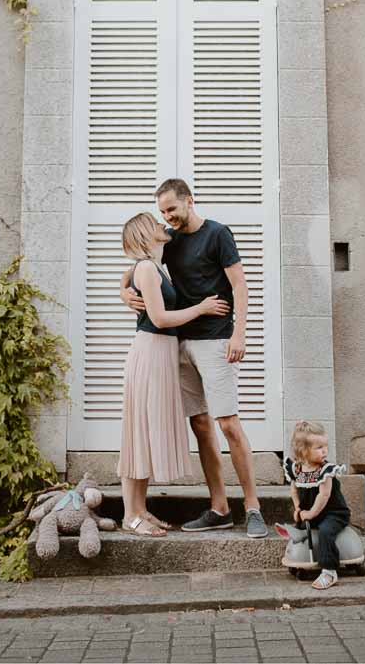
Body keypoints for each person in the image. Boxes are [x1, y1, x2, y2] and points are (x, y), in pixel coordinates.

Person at [120, 178, 267, 537]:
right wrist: (122, 292)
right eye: (163, 212)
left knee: (228, 424)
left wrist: (240, 332)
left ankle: (252, 507)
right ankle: (219, 507)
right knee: (200, 426)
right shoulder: (169, 241)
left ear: (189, 201)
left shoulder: (218, 234)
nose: (167, 216)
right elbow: (137, 267)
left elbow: (240, 286)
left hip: (215, 341)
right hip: (179, 344)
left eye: (172, 208)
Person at [116, 213, 231, 537]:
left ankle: (140, 509)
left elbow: (125, 277)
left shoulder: (156, 265)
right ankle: (130, 514)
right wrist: (202, 308)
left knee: (147, 432)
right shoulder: (147, 268)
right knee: (138, 433)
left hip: (162, 354)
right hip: (151, 352)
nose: (161, 227)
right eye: (155, 224)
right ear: (144, 234)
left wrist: (122, 289)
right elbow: (160, 318)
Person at [282, 419, 350, 590]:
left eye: (325, 446)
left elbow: (323, 495)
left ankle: (329, 570)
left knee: (326, 531)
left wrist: (311, 514)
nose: (324, 451)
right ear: (303, 451)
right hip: (311, 511)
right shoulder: (297, 469)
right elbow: (294, 490)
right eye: (319, 447)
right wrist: (298, 508)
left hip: (333, 513)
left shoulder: (325, 471)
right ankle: (299, 557)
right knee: (299, 526)